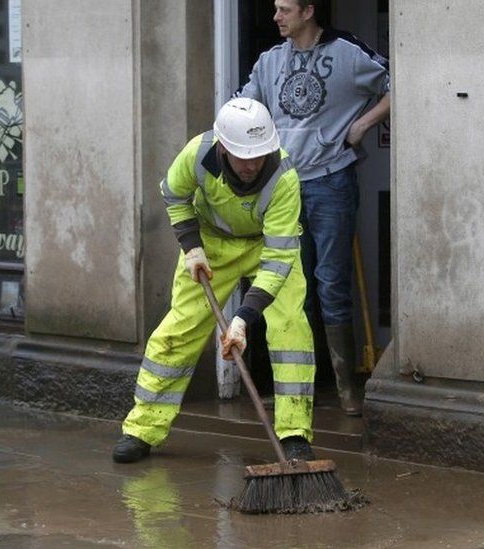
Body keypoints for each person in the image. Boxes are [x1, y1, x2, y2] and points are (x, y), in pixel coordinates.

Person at [113, 98, 316, 464]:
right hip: (211, 246)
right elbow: (174, 193)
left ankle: (294, 434)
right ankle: (141, 429)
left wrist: (243, 318)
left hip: (266, 247)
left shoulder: (283, 177)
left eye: (260, 155)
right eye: (243, 156)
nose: (252, 164)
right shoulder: (197, 154)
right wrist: (191, 247)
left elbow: (280, 258)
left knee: (291, 331)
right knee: (180, 330)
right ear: (223, 147)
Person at [238, 0, 391, 416]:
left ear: (308, 11)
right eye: (274, 9)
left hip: (331, 180)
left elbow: (400, 83)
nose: (276, 17)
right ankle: (301, 390)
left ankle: (346, 390)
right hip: (283, 186)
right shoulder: (269, 62)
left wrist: (363, 123)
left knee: (331, 284)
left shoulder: (346, 51)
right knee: (291, 288)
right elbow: (242, 112)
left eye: (285, 9)